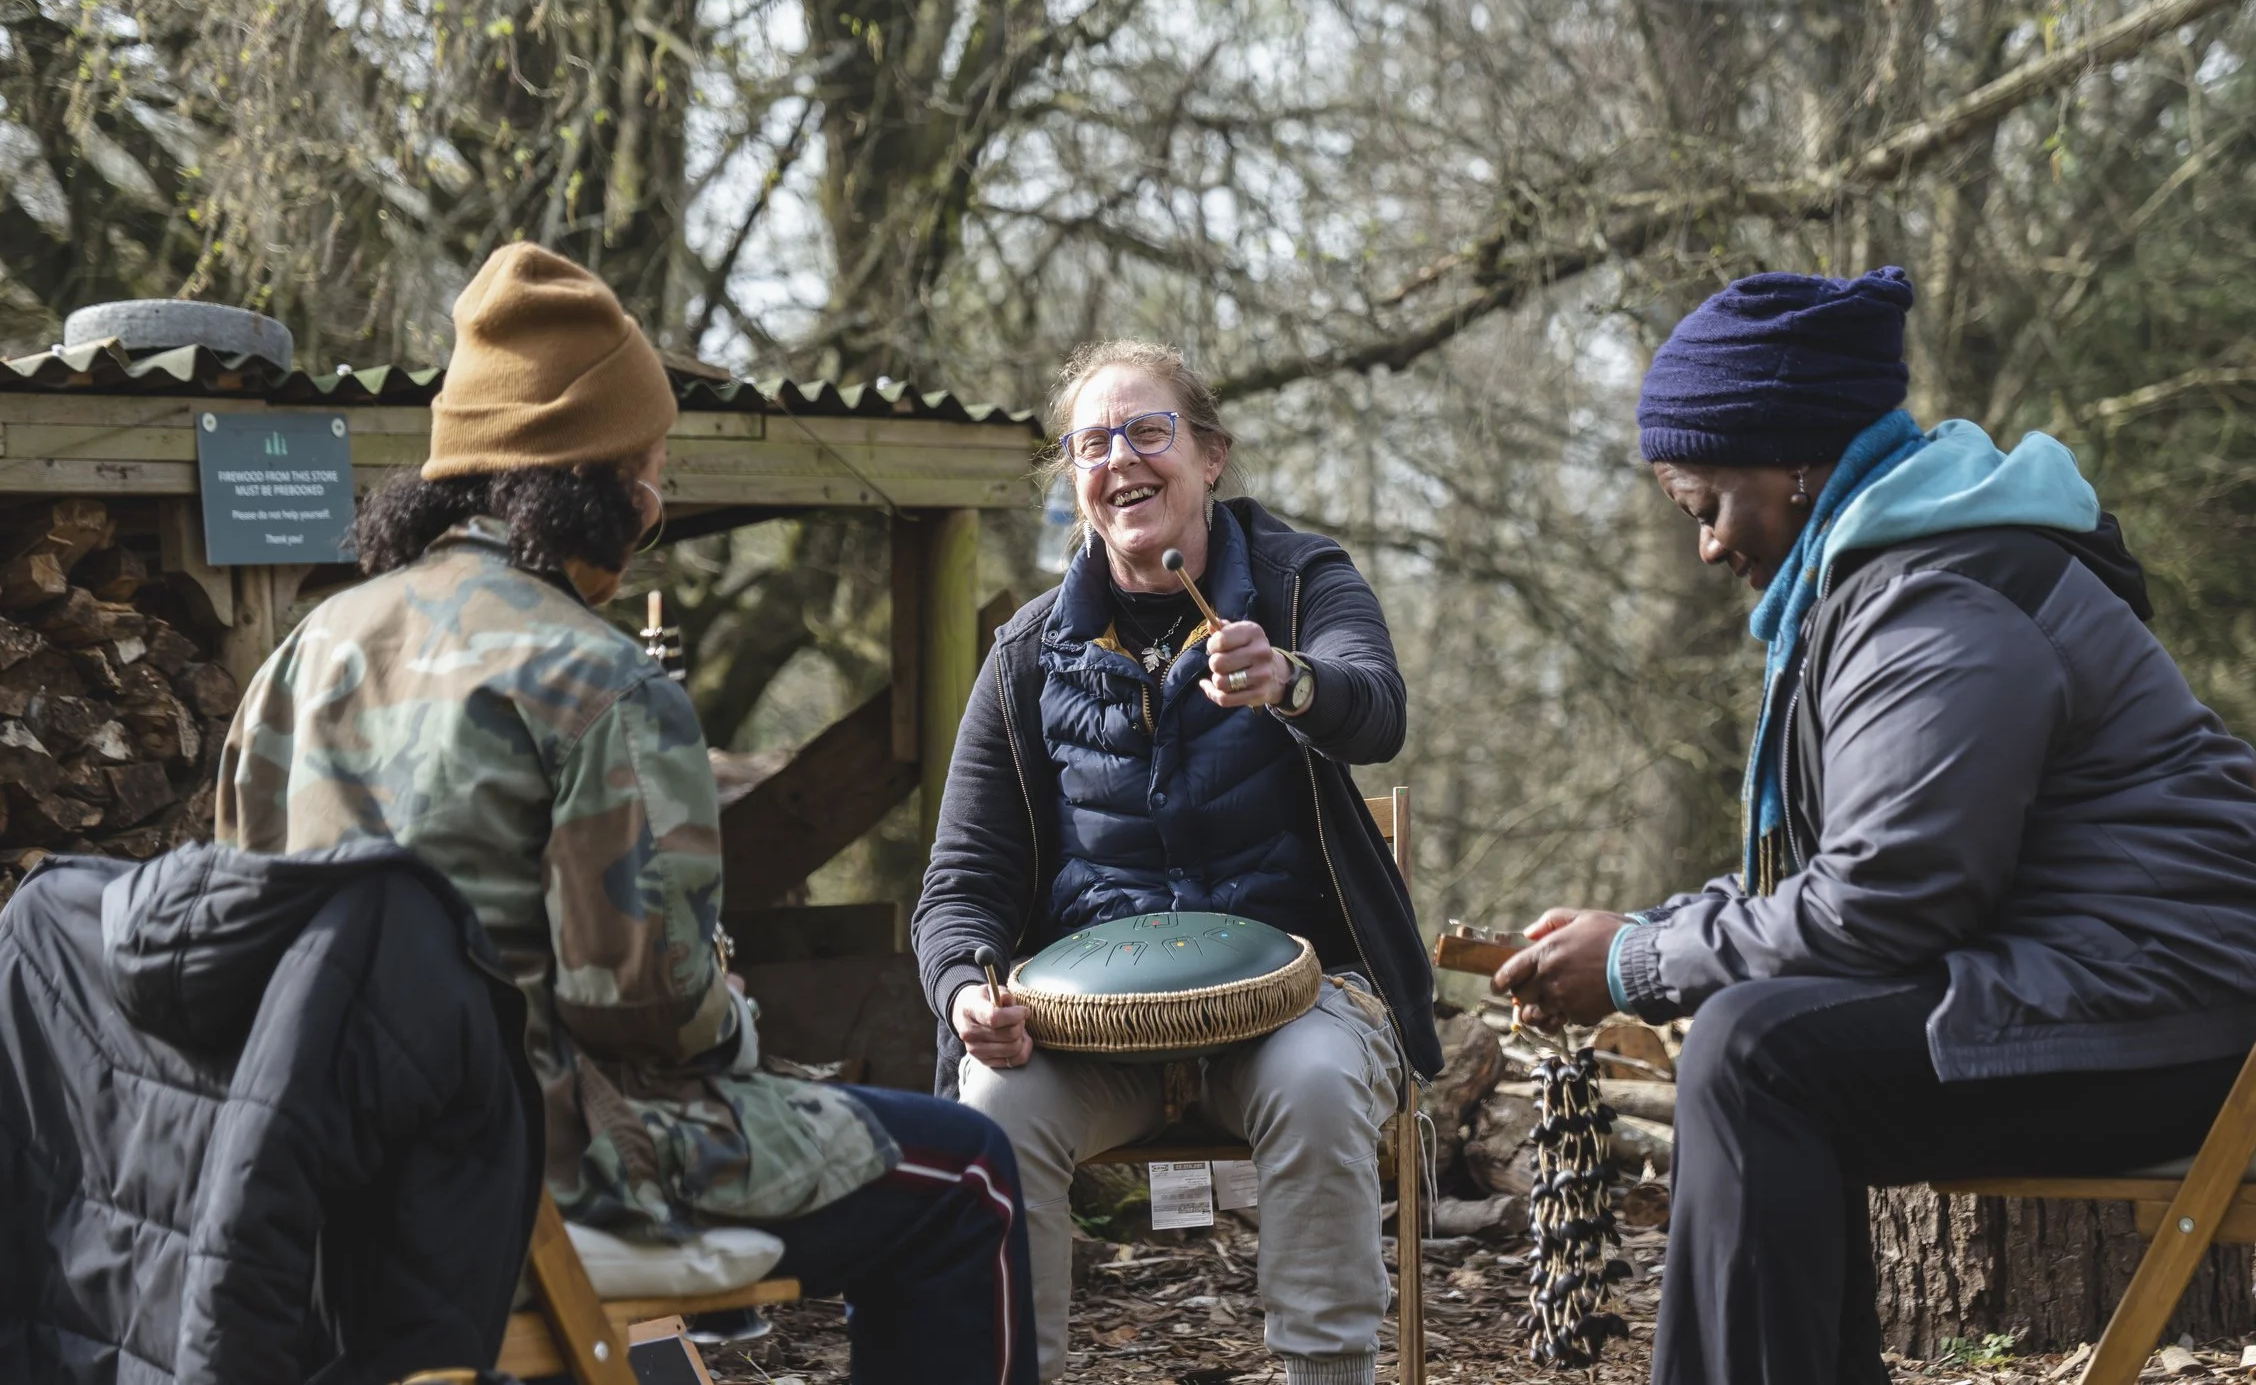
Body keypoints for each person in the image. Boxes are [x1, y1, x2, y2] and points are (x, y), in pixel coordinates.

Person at [1493, 266, 2256, 1385]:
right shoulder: (1908, 573)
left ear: (1796, 465)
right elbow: (1875, 872)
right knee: (1767, 1038)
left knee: (1758, 1054)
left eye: (1707, 506)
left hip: (2200, 1014)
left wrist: (1642, 957)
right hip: (2154, 986)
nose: (1706, 546)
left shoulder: (1936, 597)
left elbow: (1885, 900)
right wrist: (1650, 927)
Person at [216, 242, 1038, 1385]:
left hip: (327, 1179)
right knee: (974, 1175)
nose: (662, 496)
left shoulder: (304, 655)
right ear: (592, 479)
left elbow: (242, 920)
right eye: (652, 461)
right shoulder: (597, 677)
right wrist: (736, 1022)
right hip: (546, 1165)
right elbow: (644, 1002)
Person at [913, 340, 1443, 1385]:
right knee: (992, 1103)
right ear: (1074, 477)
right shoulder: (1025, 653)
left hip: (1304, 998)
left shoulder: (1301, 582)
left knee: (1321, 1085)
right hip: (1088, 1030)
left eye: (1149, 430)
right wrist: (964, 987)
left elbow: (1374, 708)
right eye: (1093, 440)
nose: (1122, 458)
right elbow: (959, 881)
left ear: (1209, 454)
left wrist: (1291, 681)